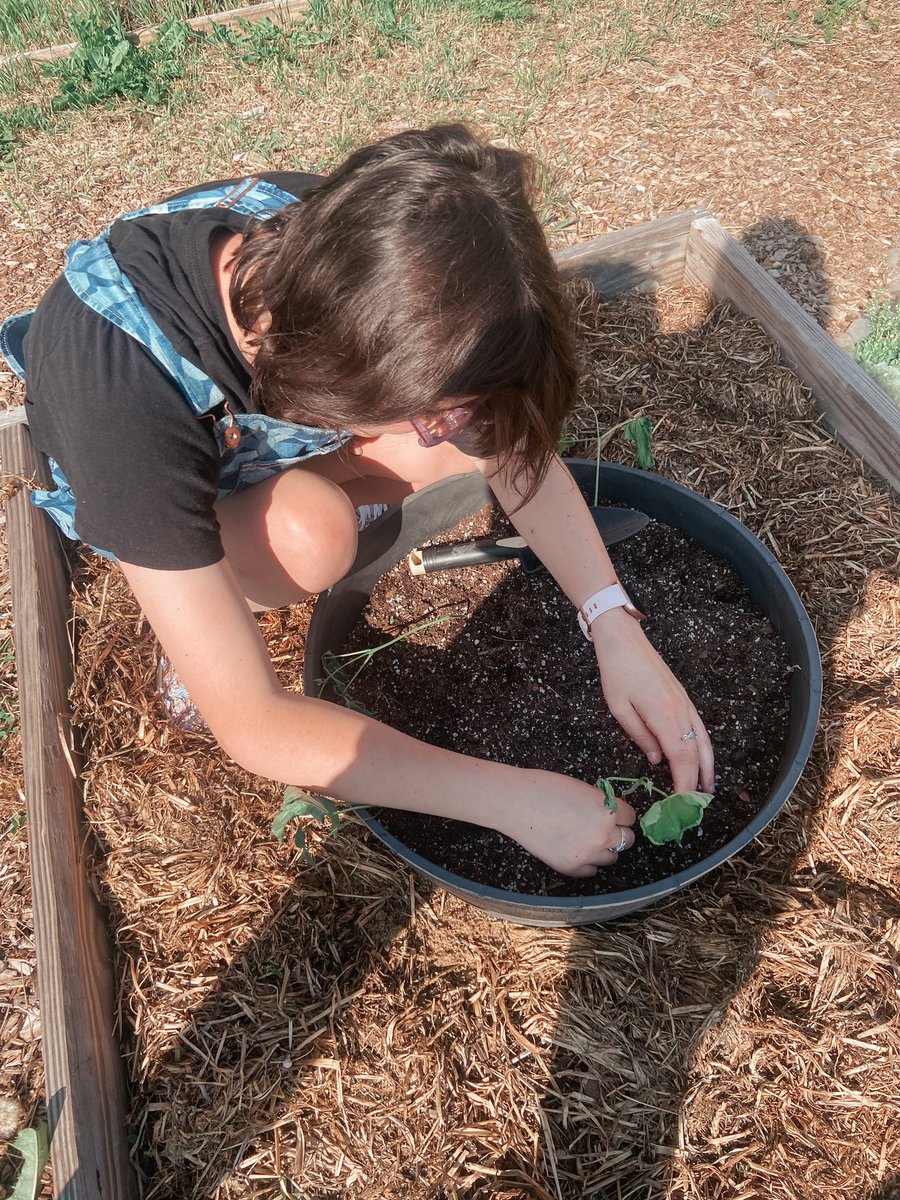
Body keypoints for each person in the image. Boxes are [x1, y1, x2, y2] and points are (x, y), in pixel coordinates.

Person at [1, 124, 714, 878]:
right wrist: (517, 802)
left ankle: (327, 487)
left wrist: (614, 625)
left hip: (266, 419)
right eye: (442, 406)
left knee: (433, 449)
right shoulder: (118, 396)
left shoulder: (370, 251)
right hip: (153, 473)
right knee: (311, 537)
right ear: (344, 381)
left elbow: (514, 452)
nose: (458, 430)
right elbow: (256, 725)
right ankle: (207, 619)